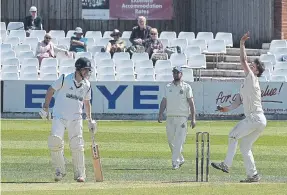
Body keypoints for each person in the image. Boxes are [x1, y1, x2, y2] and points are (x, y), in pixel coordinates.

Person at [211, 32, 266, 183]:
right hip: (259, 120)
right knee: (244, 146)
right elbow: (237, 102)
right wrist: (225, 109)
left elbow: (243, 60)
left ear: (257, 72)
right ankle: (253, 175)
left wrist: (241, 43)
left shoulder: (252, 78)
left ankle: (226, 165)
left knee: (232, 135)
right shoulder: (246, 84)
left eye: (255, 66)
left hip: (254, 117)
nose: (252, 65)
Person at [39, 57, 97, 182]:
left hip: (76, 118)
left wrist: (90, 120)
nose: (87, 72)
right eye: (85, 70)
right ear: (78, 69)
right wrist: (45, 107)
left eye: (88, 70)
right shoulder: (65, 78)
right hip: (59, 116)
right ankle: (60, 171)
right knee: (55, 141)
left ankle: (80, 174)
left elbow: (87, 103)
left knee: (77, 144)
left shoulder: (87, 85)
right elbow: (50, 90)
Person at [158, 66, 196, 170]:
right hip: (170, 117)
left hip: (182, 118)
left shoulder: (186, 87)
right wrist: (160, 113)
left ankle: (175, 162)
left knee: (179, 140)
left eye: (177, 73)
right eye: (174, 73)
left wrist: (193, 118)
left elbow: (191, 103)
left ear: (181, 74)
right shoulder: (168, 86)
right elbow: (164, 101)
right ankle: (180, 158)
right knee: (171, 141)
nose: (175, 74)